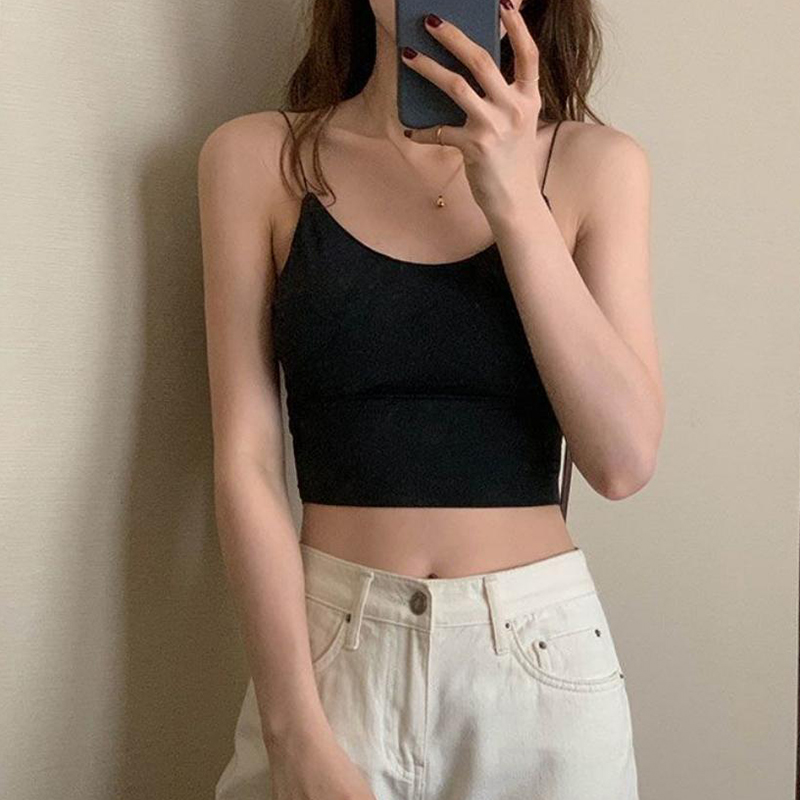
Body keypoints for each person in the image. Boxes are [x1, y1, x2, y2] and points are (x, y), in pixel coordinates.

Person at [198, 0, 663, 797]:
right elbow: (244, 463)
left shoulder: (596, 165)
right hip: (329, 658)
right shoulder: (258, 157)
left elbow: (622, 462)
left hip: (538, 666)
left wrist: (511, 194)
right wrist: (293, 732)